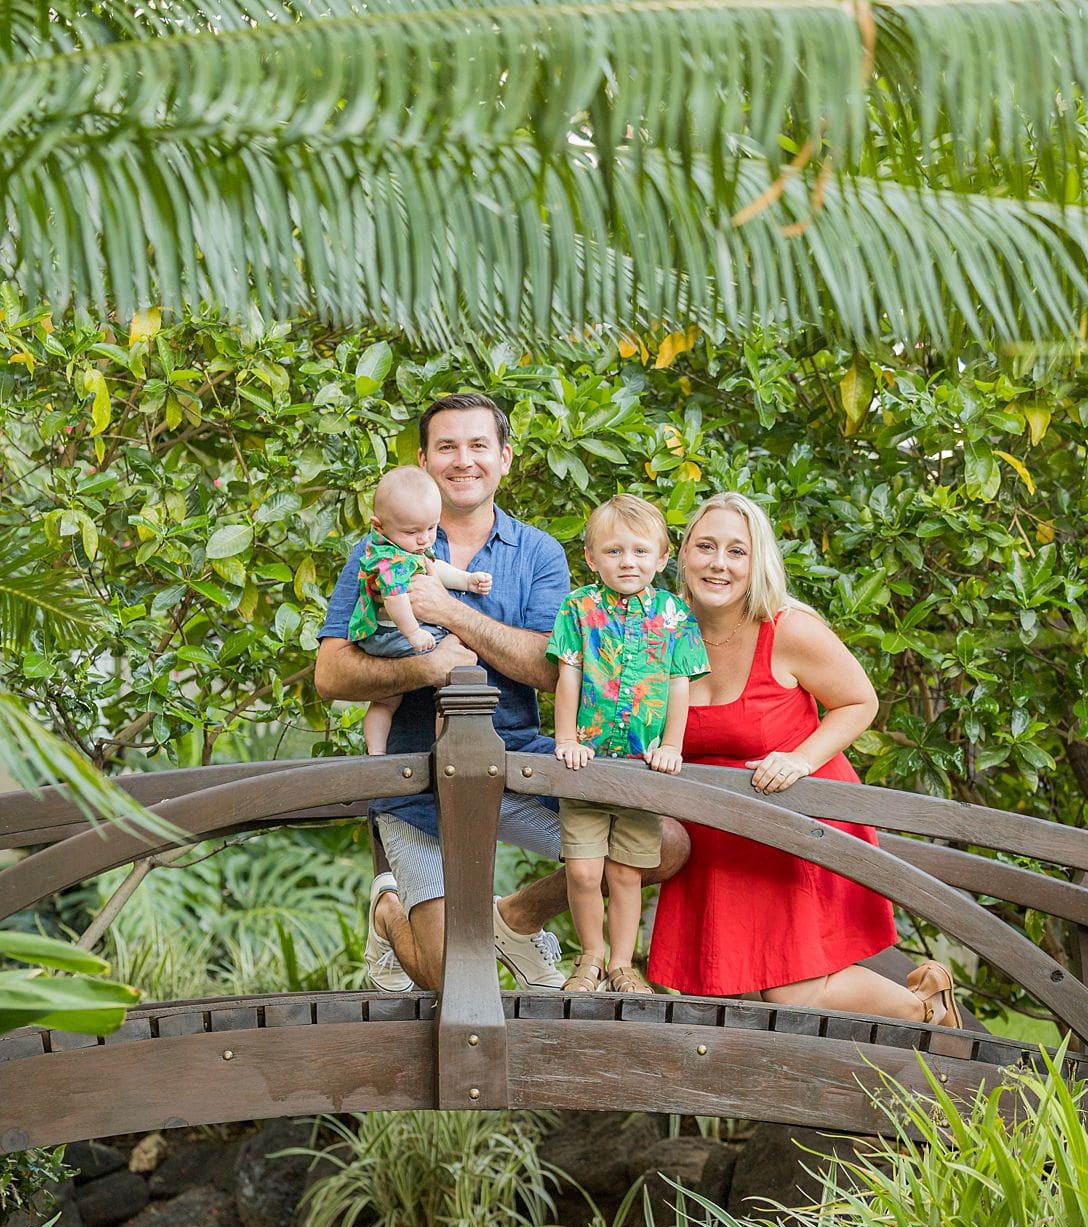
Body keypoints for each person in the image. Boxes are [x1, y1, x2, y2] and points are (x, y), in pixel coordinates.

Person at [314, 393, 689, 994]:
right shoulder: (377, 549)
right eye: (447, 447)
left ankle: (516, 918)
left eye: (478, 445)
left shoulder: (538, 552)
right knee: (454, 981)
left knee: (662, 843)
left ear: (505, 458)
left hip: (518, 758)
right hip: (418, 779)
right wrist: (426, 665)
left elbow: (551, 668)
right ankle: (389, 914)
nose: (463, 461)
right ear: (424, 459)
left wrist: (450, 612)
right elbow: (331, 674)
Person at [647, 492, 961, 1026]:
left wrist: (800, 758)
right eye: (705, 546)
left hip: (797, 821)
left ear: (758, 562)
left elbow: (861, 701)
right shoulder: (660, 630)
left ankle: (924, 1008)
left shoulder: (788, 628)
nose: (718, 563)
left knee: (792, 995)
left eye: (736, 551)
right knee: (732, 992)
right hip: (719, 835)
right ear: (682, 554)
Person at [549, 495, 709, 994]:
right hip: (588, 764)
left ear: (662, 559)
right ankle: (590, 957)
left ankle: (621, 964)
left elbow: (681, 682)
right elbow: (568, 673)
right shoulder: (579, 608)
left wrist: (671, 745)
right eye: (614, 552)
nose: (628, 563)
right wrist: (565, 736)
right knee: (582, 869)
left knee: (625, 872)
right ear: (592, 558)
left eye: (641, 552)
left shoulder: (674, 613)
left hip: (642, 769)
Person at [348, 466, 493, 756]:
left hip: (388, 636)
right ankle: (444, 752)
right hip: (393, 635)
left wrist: (466, 580)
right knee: (453, 680)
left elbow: (433, 567)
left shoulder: (405, 548)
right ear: (378, 527)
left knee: (386, 701)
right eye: (412, 531)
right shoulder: (388, 559)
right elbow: (395, 597)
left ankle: (376, 754)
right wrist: (413, 632)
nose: (424, 539)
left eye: (431, 528)